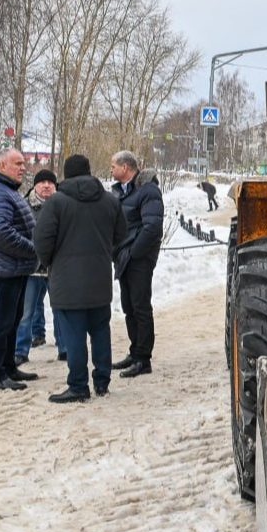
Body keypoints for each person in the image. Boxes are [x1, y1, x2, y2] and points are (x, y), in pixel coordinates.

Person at [35, 155, 127, 403]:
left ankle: (77, 385)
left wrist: (51, 261)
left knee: (73, 335)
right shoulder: (109, 201)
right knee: (100, 331)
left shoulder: (56, 203)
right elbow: (121, 234)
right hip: (99, 279)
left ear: (66, 174)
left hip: (66, 282)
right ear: (89, 172)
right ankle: (102, 382)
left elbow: (42, 241)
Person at [0, 147, 40, 391]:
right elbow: (1, 233)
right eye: (18, 163)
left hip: (15, 267)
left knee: (11, 321)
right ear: (2, 165)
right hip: (4, 269)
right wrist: (33, 248)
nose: (23, 168)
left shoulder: (7, 190)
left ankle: (7, 367)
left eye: (23, 163)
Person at [110, 150, 163, 378]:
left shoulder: (147, 190)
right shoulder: (123, 191)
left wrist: (133, 253)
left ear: (125, 167)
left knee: (141, 308)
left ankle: (143, 359)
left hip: (138, 259)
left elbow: (152, 228)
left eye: (113, 165)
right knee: (129, 307)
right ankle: (134, 352)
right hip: (124, 258)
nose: (111, 169)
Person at [14, 169, 58, 365]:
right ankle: (20, 350)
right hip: (31, 267)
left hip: (56, 267)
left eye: (50, 182)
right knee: (26, 311)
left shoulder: (63, 205)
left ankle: (64, 347)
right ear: (35, 185)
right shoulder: (23, 206)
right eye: (42, 182)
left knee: (61, 309)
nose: (46, 186)